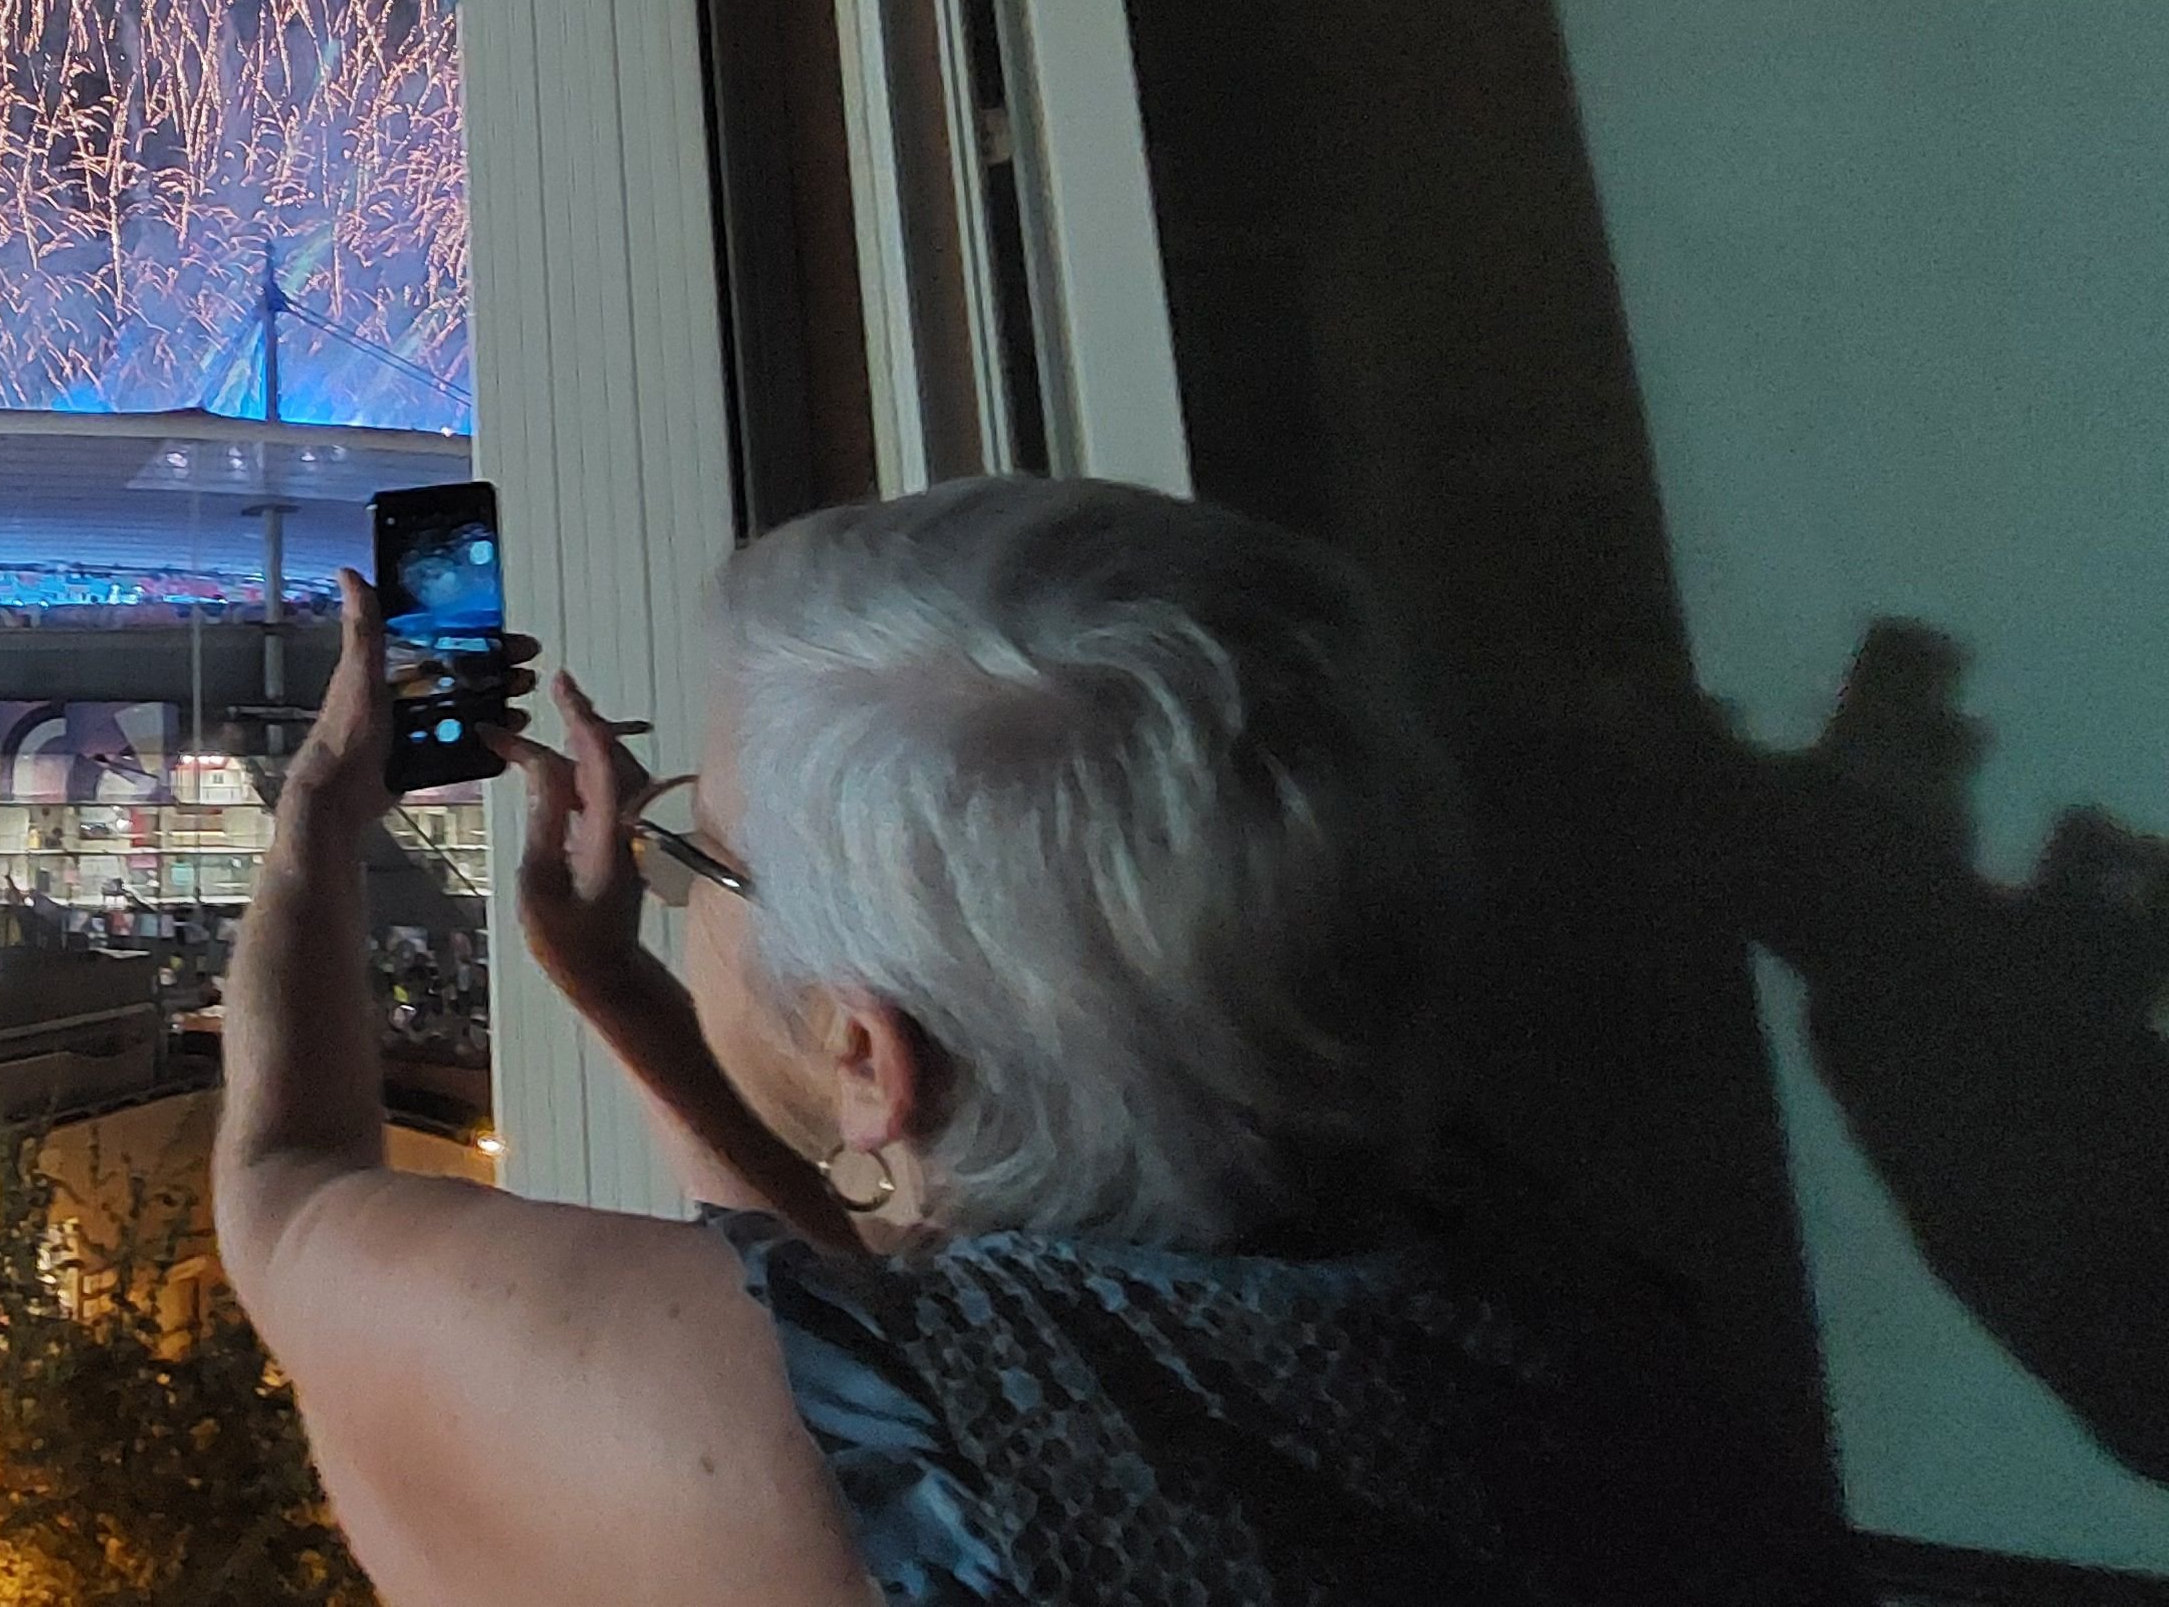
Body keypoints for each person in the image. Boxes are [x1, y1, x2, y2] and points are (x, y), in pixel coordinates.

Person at [216, 477, 1842, 1606]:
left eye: (699, 848)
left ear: (872, 1056)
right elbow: (888, 1336)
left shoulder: (858, 1499)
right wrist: (625, 991)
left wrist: (321, 814)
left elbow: (283, 1198)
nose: (663, 852)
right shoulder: (1519, 1282)